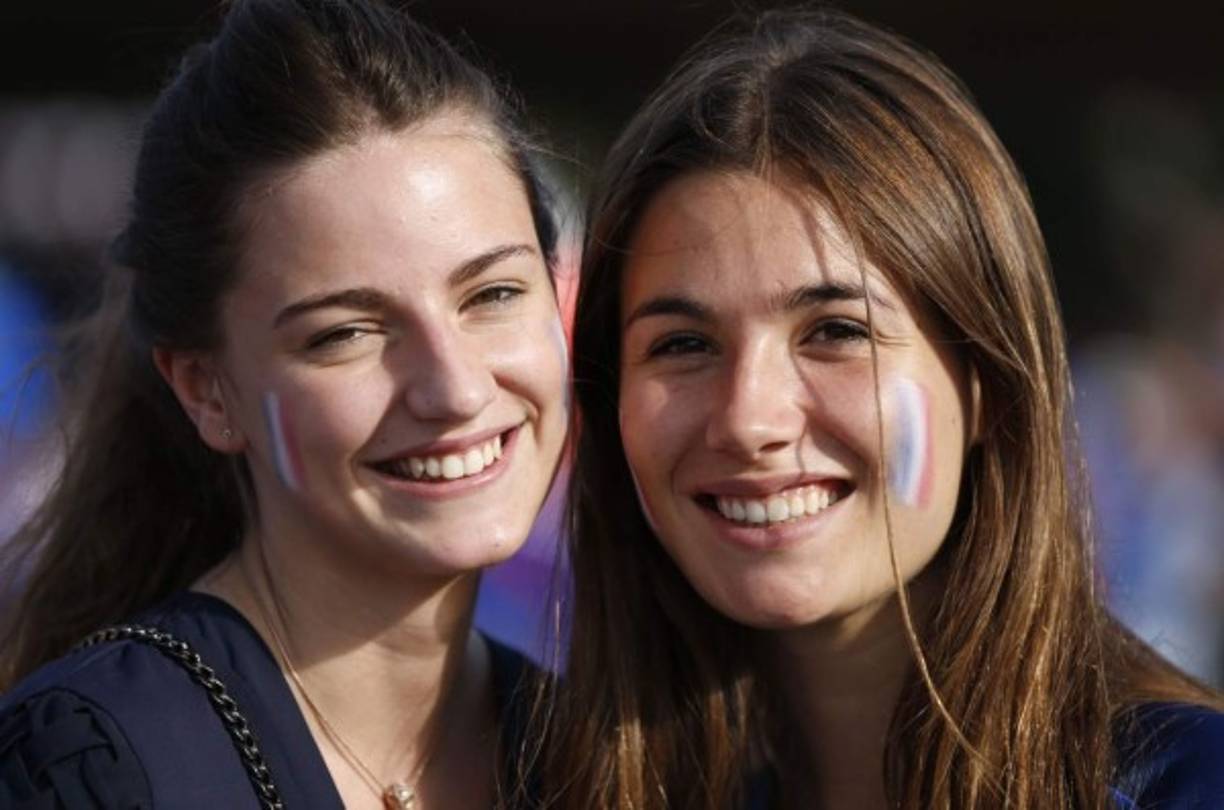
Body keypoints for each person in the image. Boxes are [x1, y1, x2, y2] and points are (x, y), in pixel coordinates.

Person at [546, 8, 1224, 809]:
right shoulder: (581, 782)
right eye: (684, 344)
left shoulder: (1183, 786)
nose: (748, 420)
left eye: (836, 331)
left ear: (987, 383)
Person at [0, 1, 568, 808]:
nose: (456, 389)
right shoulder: (94, 769)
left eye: (493, 294)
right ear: (207, 389)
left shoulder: (600, 750)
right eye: (345, 333)